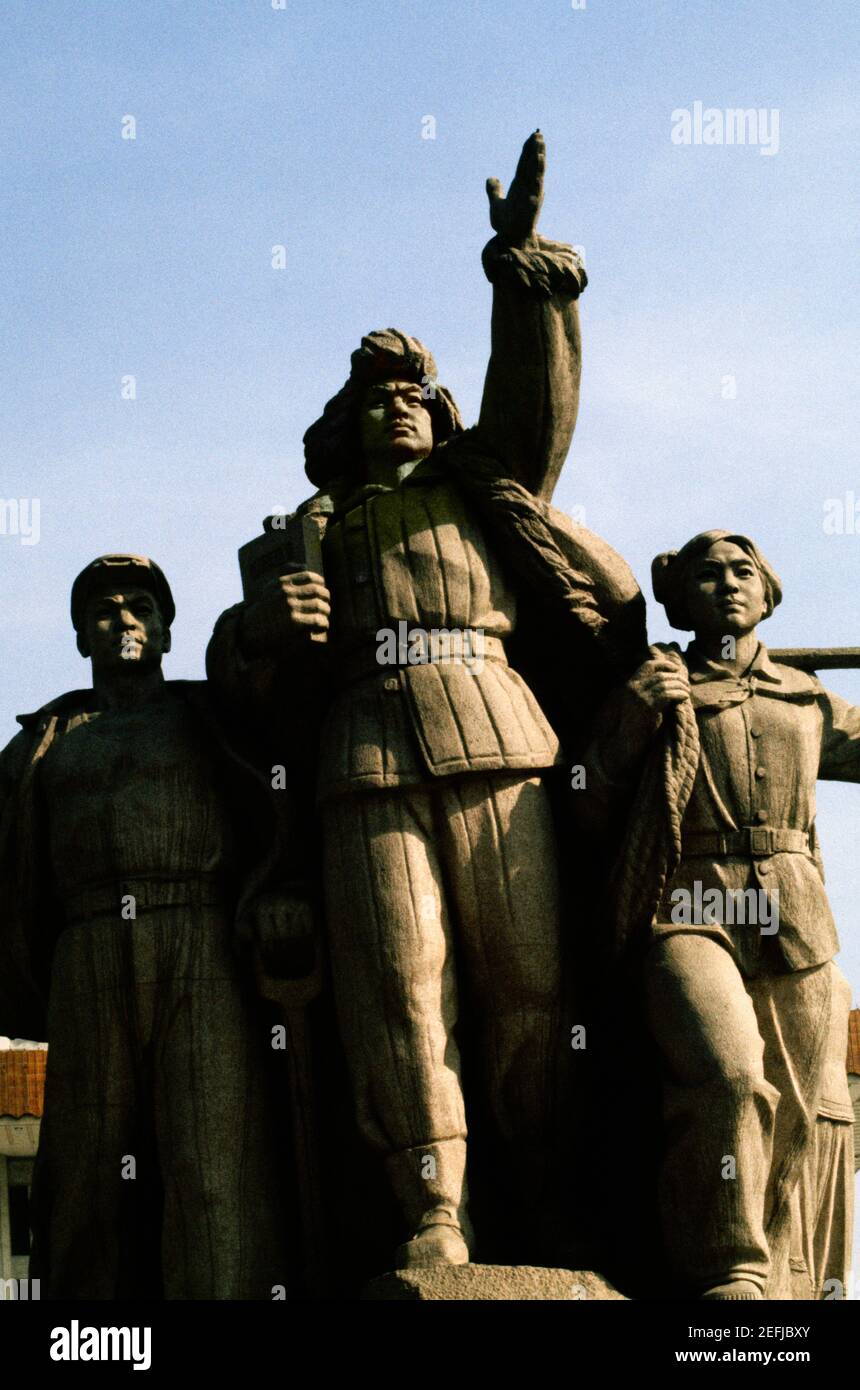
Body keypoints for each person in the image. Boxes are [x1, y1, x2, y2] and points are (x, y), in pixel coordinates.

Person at [208, 133, 645, 1268]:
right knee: (400, 990)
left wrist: (520, 274)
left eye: (414, 395)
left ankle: (543, 1194)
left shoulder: (483, 489)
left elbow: (534, 408)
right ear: (341, 427)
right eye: (374, 400)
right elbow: (240, 689)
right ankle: (432, 1213)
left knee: (531, 991)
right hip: (365, 758)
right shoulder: (301, 534)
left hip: (499, 740)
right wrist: (259, 637)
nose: (397, 409)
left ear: (440, 416)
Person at [0, 554, 300, 1298]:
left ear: (167, 632)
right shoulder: (42, 742)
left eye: (142, 607)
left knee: (212, 1159)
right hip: (86, 950)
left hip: (200, 938)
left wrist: (281, 892)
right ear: (79, 638)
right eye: (103, 610)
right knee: (84, 1171)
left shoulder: (214, 717)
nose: (124, 619)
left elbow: (287, 786)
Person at [578, 530, 858, 1299]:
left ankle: (775, 1272)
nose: (729, 585)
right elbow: (580, 801)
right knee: (730, 1075)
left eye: (743, 572)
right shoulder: (656, 686)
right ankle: (726, 1264)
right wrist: (628, 723)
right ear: (679, 599)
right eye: (708, 575)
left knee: (799, 1108)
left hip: (796, 915)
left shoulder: (807, 699)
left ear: (767, 594)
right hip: (690, 906)